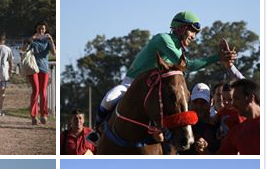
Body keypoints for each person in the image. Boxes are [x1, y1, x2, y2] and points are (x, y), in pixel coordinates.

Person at [88, 15, 236, 142]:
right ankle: (97, 130)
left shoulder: (178, 49)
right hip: (132, 85)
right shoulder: (163, 39)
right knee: (110, 97)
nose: (193, 37)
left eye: (195, 33)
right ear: (181, 28)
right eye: (192, 31)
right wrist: (218, 57)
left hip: (155, 90)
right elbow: (188, 66)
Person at [218, 79, 260, 155]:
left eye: (236, 98)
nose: (233, 104)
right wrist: (204, 151)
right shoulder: (236, 132)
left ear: (251, 98)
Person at [27, 21, 55, 126]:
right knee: (35, 91)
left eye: (43, 28)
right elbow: (24, 49)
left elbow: (54, 52)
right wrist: (32, 38)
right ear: (36, 29)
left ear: (45, 30)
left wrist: (51, 40)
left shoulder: (47, 40)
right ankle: (34, 115)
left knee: (43, 92)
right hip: (33, 68)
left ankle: (44, 114)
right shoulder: (33, 40)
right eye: (39, 28)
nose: (41, 30)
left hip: (44, 69)